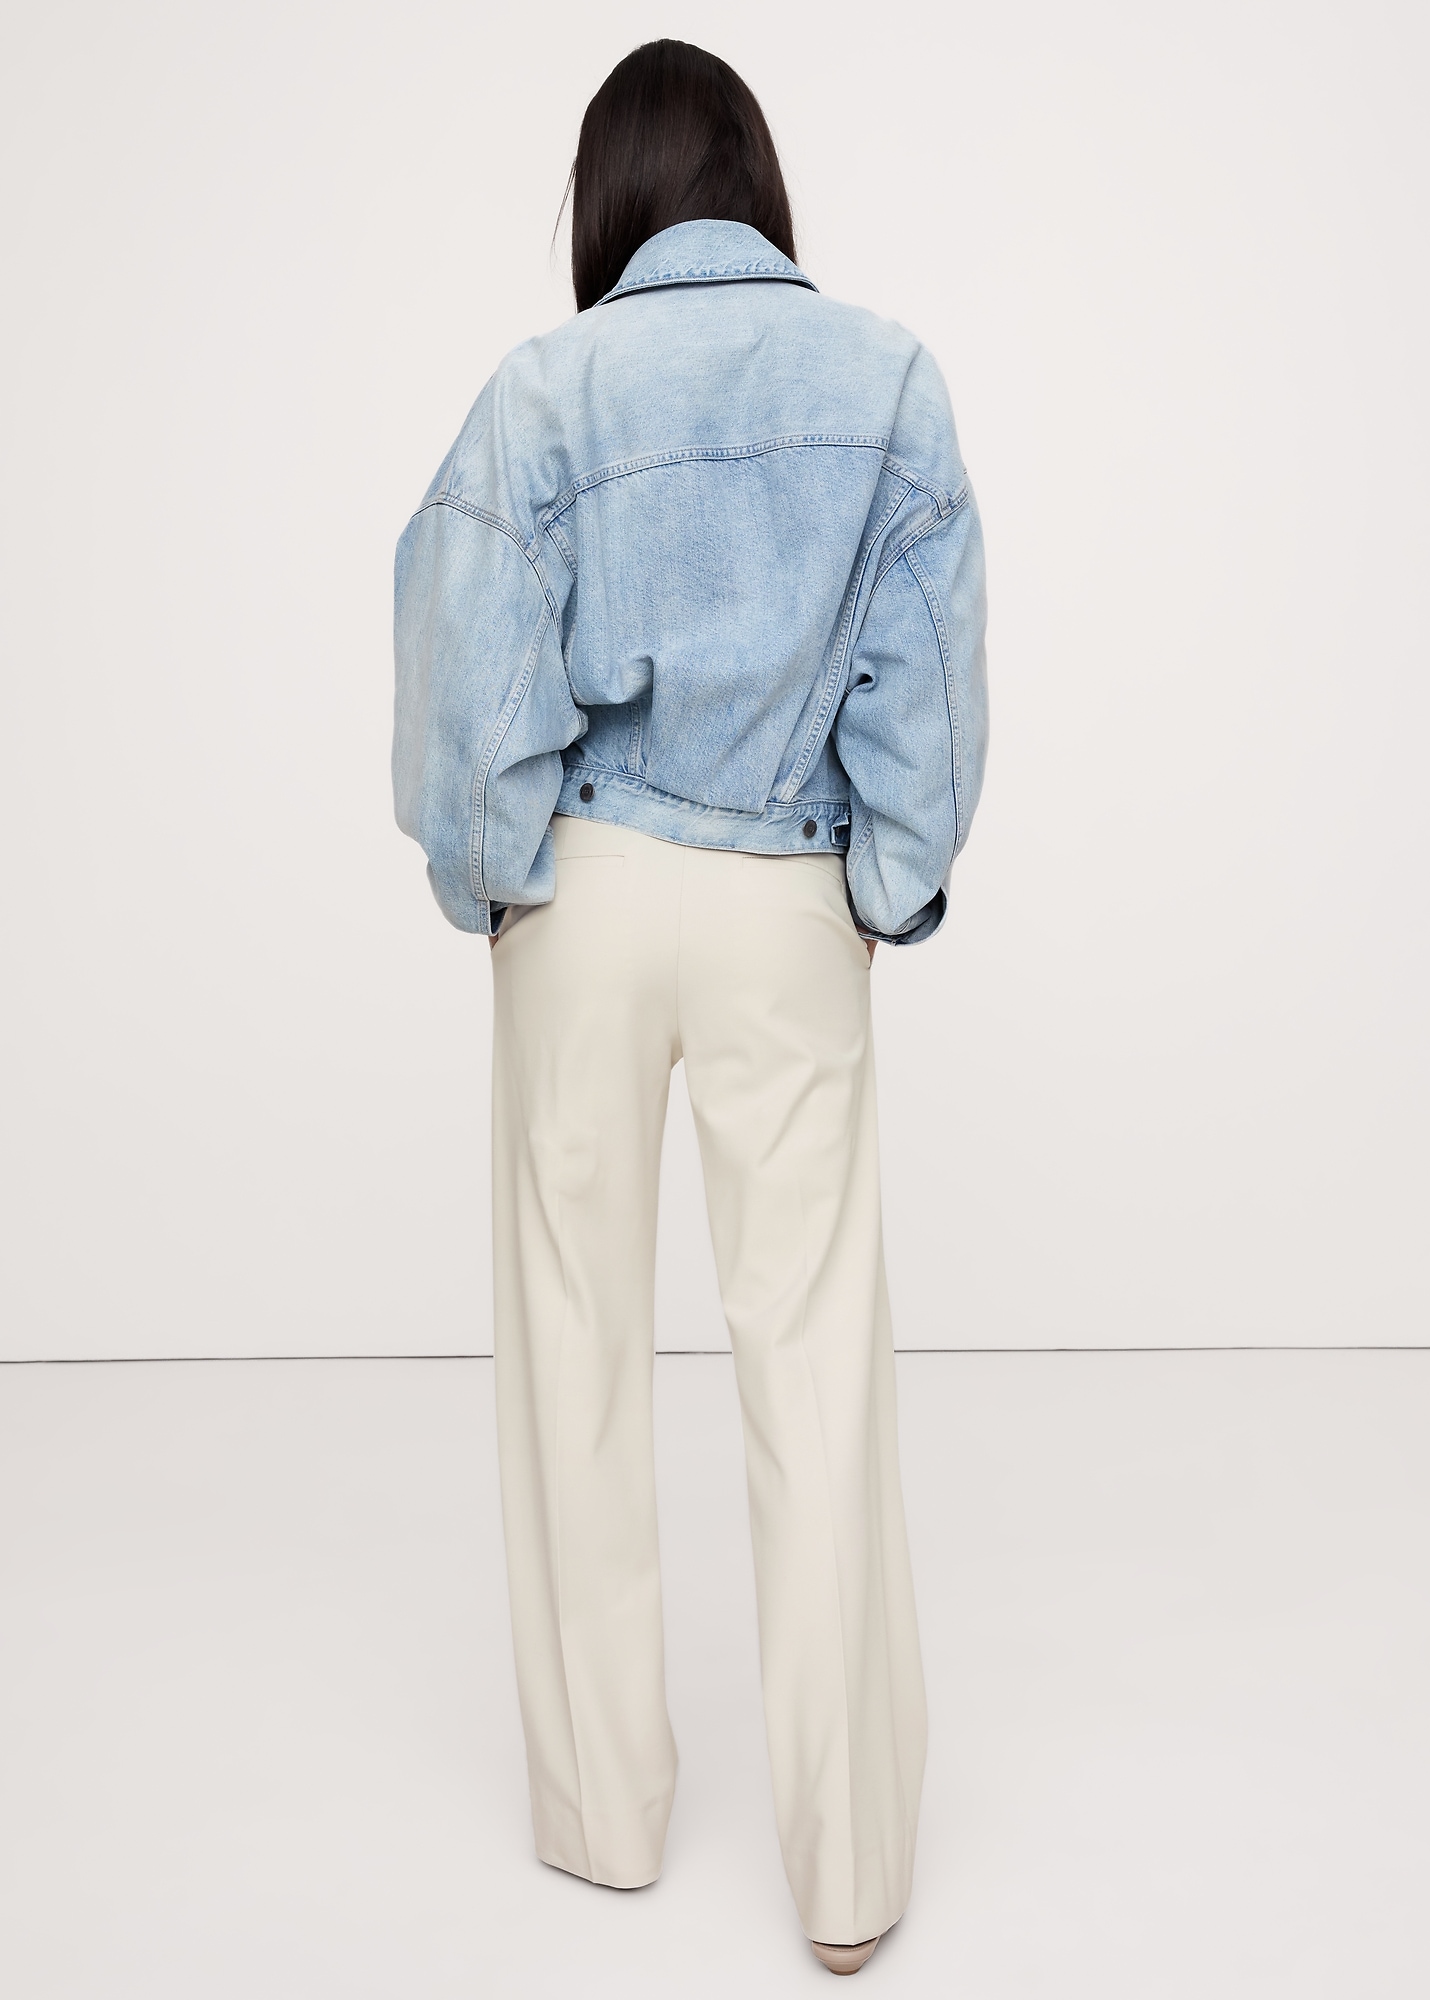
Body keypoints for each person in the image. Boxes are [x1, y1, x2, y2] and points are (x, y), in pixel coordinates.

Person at [393, 38, 987, 1977]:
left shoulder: (542, 390)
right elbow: (926, 686)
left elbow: (464, 661)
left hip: (583, 884)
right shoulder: (886, 383)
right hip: (784, 884)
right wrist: (882, 888)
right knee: (813, 1358)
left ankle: (604, 1823)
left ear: (611, 199)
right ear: (760, 183)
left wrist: (494, 876)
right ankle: (851, 1875)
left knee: (572, 1343)